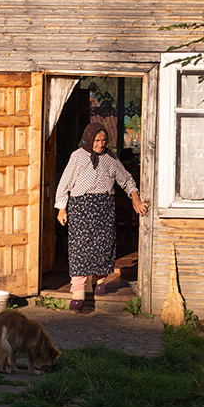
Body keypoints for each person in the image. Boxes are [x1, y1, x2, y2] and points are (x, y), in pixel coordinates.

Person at [55, 122, 148, 311]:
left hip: (104, 207)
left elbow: (127, 179)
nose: (100, 144)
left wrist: (135, 198)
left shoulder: (110, 159)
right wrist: (61, 209)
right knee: (79, 247)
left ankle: (100, 282)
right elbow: (65, 183)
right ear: (89, 139)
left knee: (104, 245)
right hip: (81, 207)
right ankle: (78, 291)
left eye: (104, 140)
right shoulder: (78, 156)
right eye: (97, 140)